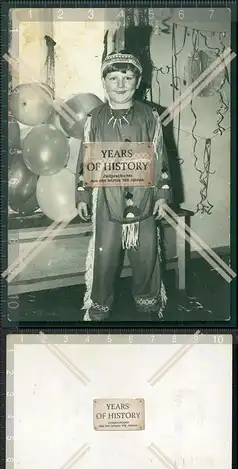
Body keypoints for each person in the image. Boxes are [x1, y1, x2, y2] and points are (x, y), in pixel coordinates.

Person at [76, 51, 172, 321]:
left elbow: (160, 157)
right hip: (106, 198)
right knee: (105, 258)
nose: (120, 84)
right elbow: (86, 160)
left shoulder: (150, 115)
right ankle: (99, 306)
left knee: (146, 256)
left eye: (127, 78)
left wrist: (162, 195)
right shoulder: (94, 119)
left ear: (138, 81)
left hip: (144, 197)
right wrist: (83, 194)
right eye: (114, 78)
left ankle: (149, 304)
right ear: (104, 82)